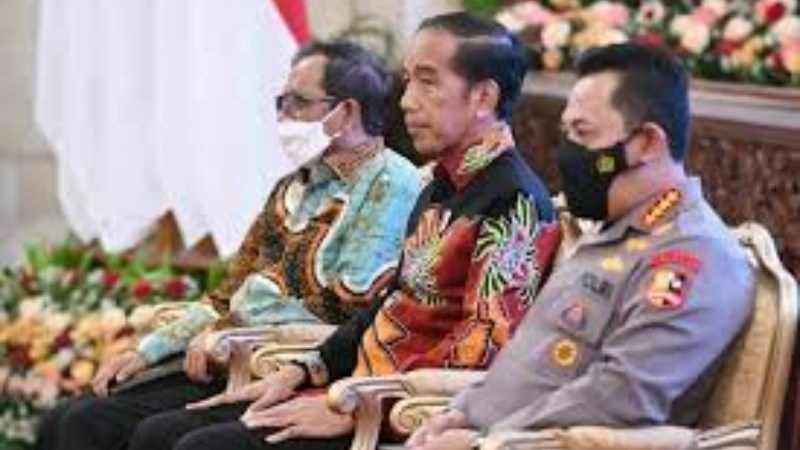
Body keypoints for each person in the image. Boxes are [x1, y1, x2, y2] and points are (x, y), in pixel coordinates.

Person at [117, 12, 562, 450]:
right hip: (354, 388)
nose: (407, 101)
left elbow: (481, 350)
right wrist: (302, 370)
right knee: (158, 433)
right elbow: (390, 305)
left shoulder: (514, 201)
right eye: (408, 81)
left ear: (483, 97)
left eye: (428, 82)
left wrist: (355, 408)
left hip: (399, 416)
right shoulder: (440, 184)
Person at [34, 40, 422, 450]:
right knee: (66, 418)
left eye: (298, 103)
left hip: (290, 366)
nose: (283, 116)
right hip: (229, 353)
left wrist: (226, 333)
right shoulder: (292, 187)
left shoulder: (391, 184)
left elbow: (348, 301)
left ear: (346, 112)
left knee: (125, 430)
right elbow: (229, 292)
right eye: (281, 103)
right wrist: (147, 350)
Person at [406, 42, 756, 450]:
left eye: (583, 134)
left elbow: (622, 398)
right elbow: (532, 364)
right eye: (566, 133)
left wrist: (484, 441)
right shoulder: (617, 231)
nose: (568, 152)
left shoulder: (692, 256)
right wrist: (462, 411)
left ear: (646, 143)